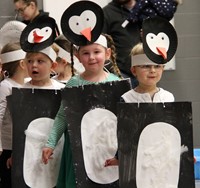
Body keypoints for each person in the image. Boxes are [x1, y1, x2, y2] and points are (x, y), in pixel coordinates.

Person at [42, 34, 121, 188]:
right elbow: (62, 115)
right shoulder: (74, 83)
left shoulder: (116, 83)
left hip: (107, 148)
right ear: (77, 56)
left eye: (96, 52)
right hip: (79, 149)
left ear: (107, 54)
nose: (91, 57)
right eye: (85, 53)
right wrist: (50, 143)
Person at [104, 42, 175, 167]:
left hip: (163, 160)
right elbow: (123, 133)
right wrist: (119, 157)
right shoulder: (127, 99)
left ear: (163, 68)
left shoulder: (168, 97)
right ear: (134, 70)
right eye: (146, 66)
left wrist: (183, 154)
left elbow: (174, 130)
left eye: (157, 66)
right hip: (137, 161)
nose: (152, 71)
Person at [0, 42, 27, 188]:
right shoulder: (5, 86)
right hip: (8, 148)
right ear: (23, 64)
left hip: (23, 146)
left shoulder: (28, 84)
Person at [102, 0, 141, 88]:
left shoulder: (146, 9)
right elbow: (100, 46)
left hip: (144, 71)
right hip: (120, 73)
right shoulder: (106, 13)